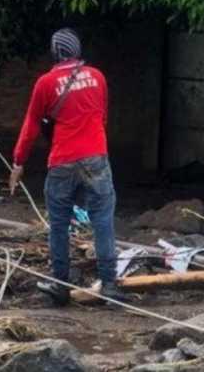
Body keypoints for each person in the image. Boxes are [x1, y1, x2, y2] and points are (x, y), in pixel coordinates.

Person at [9, 28, 122, 306]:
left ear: (55, 52)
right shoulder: (98, 77)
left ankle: (60, 284)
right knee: (102, 220)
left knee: (58, 225)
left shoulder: (46, 83)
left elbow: (31, 125)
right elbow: (103, 116)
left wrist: (18, 162)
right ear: (77, 50)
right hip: (96, 157)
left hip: (62, 161)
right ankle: (109, 283)